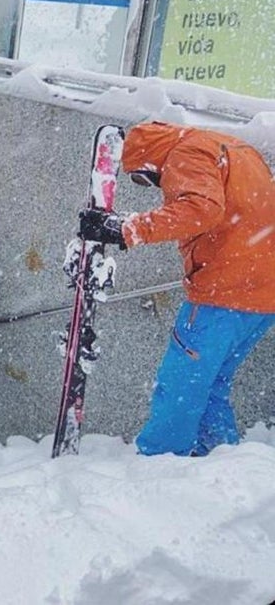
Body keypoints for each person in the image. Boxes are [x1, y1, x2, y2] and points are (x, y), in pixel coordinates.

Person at [79, 121, 275, 457]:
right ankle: (218, 459)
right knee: (212, 383)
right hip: (263, 292)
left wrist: (128, 228)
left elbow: (200, 209)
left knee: (183, 382)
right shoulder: (228, 146)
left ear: (151, 160)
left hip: (225, 290)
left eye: (143, 176)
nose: (155, 184)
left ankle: (161, 461)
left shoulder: (185, 154)